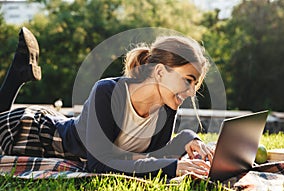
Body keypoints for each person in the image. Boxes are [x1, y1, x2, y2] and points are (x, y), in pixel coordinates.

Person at [0, 27, 213, 178]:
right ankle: (17, 75)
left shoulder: (167, 109)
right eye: (188, 80)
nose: (192, 91)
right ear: (159, 71)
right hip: (35, 133)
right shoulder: (108, 92)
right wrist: (172, 168)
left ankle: (19, 73)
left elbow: (152, 156)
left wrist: (189, 138)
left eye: (195, 84)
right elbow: (98, 164)